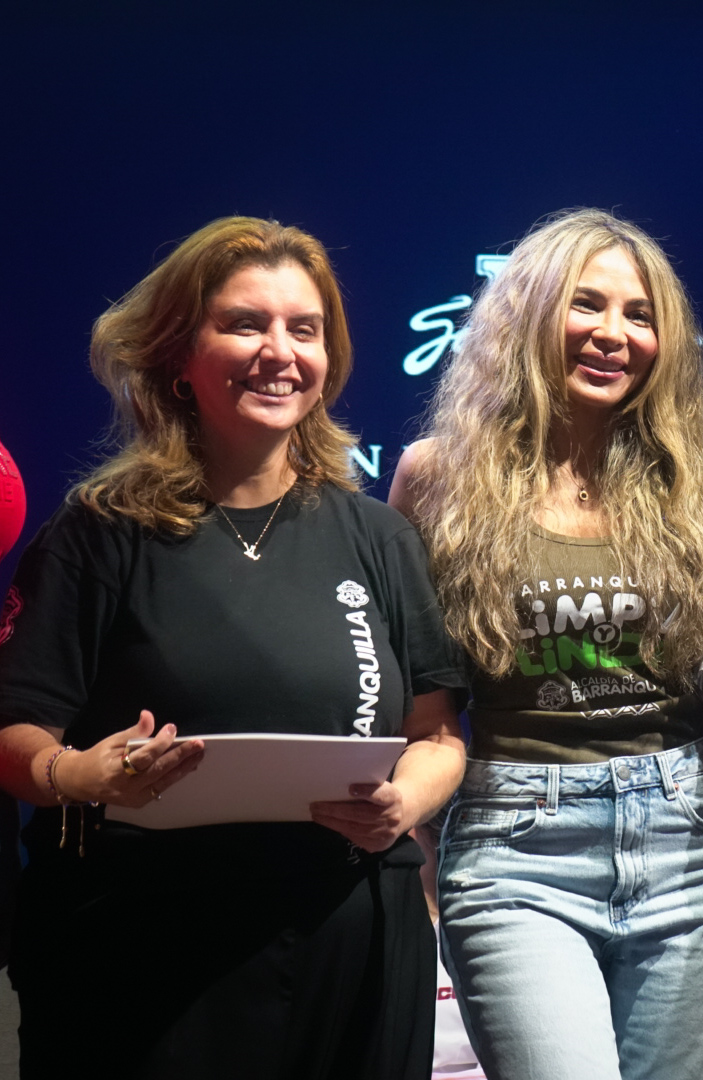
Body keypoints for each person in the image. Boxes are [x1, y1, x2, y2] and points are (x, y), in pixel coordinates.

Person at [0, 216, 469, 1080]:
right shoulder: (99, 534)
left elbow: (437, 735)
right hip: (143, 945)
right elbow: (15, 732)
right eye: (245, 324)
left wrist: (403, 803)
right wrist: (81, 775)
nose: (279, 352)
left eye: (304, 329)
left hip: (350, 939)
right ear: (179, 354)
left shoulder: (378, 536)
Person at [389, 208, 703, 1080]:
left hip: (686, 840)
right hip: (514, 846)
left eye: (639, 315)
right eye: (586, 304)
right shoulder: (436, 477)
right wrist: (421, 868)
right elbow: (417, 708)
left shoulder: (700, 475)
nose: (613, 334)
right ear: (527, 314)